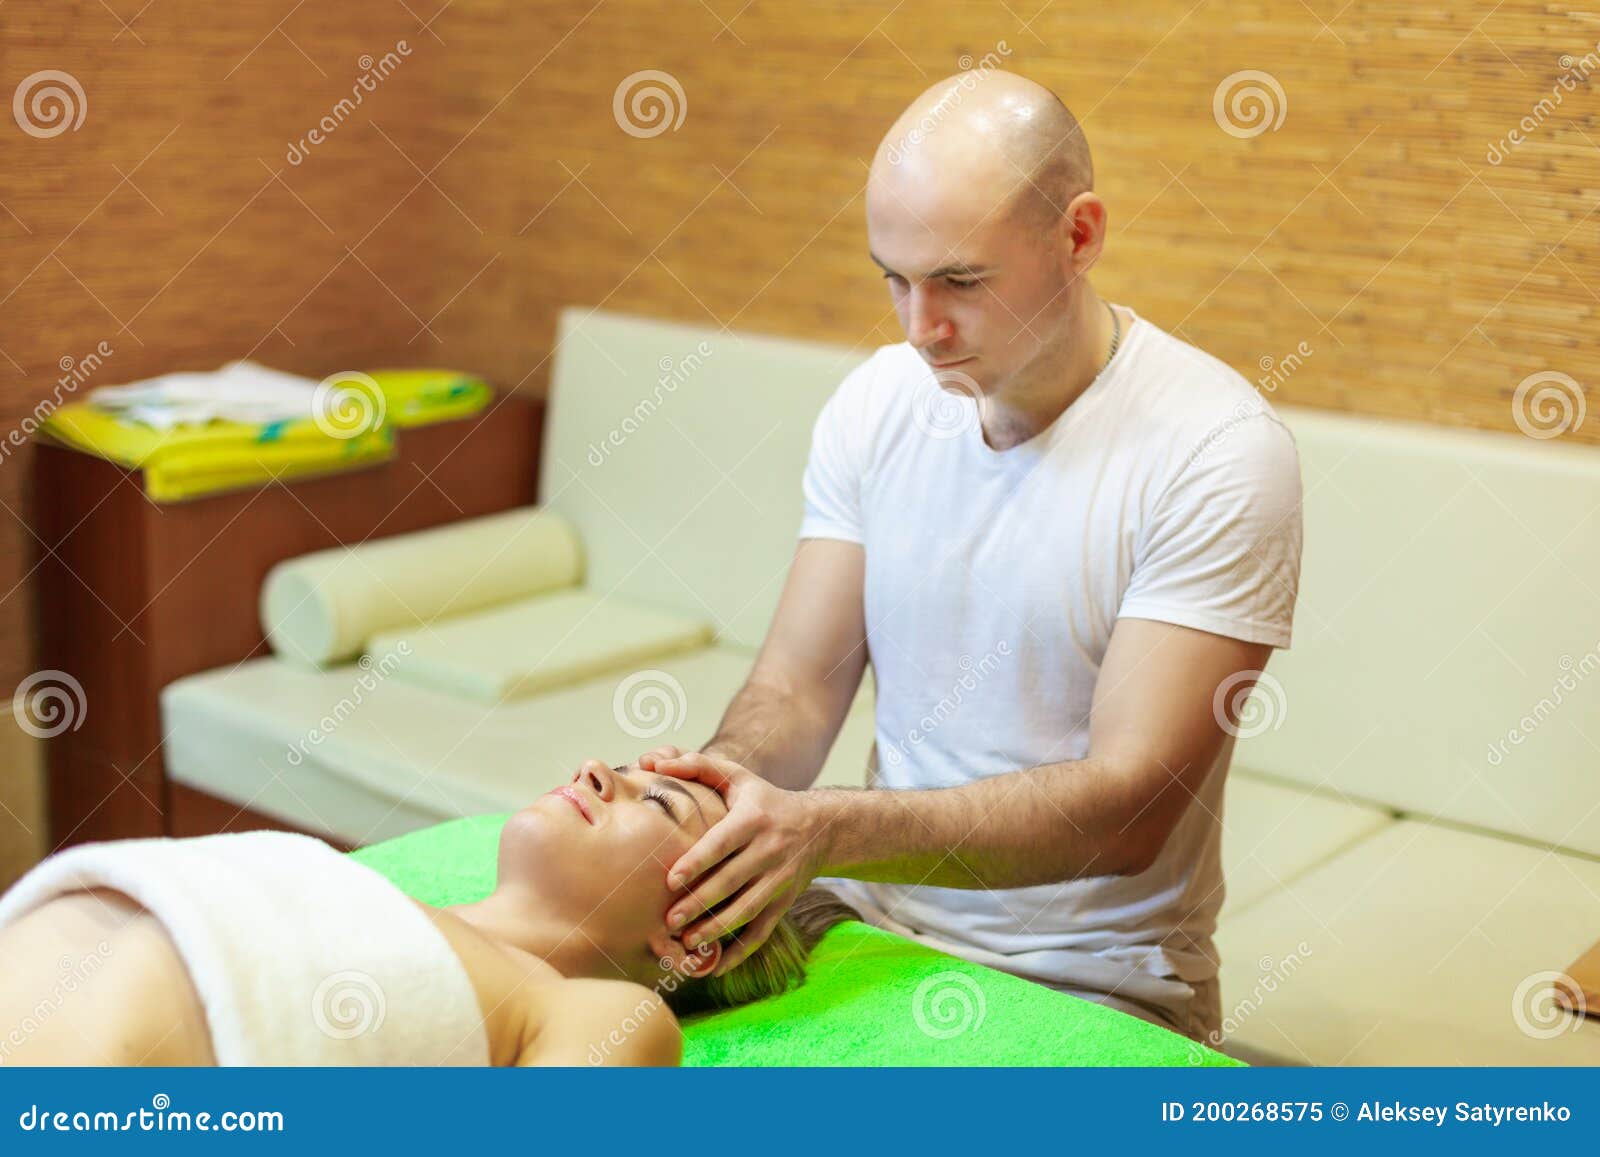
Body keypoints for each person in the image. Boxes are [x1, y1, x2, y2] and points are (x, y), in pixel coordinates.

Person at [638, 69, 1304, 1046]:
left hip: (1087, 977)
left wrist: (826, 826)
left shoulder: (1215, 449)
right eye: (893, 280)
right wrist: (710, 803)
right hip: (859, 923)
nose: (920, 329)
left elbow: (1126, 812)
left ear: (1078, 235)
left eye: (958, 280)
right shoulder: (879, 401)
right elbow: (796, 687)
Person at [0, 761, 857, 1066]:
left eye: (657, 803)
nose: (600, 769)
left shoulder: (599, 1010)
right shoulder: (381, 900)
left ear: (693, 938)